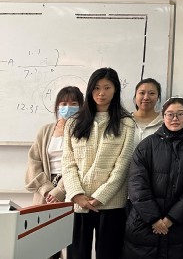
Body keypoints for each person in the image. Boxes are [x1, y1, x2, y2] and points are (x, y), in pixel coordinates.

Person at [62, 67, 135, 259]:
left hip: (111, 203)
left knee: (109, 254)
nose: (101, 93)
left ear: (115, 90)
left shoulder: (126, 123)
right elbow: (68, 163)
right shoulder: (73, 122)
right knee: (77, 254)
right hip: (79, 202)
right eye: (96, 88)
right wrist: (77, 194)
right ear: (89, 90)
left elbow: (123, 165)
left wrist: (101, 197)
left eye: (107, 87)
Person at [122, 97, 183, 259]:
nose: (175, 118)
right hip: (144, 225)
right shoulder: (147, 145)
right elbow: (137, 184)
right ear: (163, 117)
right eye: (170, 114)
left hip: (181, 225)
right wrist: (154, 219)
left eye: (180, 114)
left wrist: (171, 218)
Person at [25, 85, 84, 259]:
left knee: (73, 241)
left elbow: (82, 163)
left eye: (73, 103)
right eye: (63, 103)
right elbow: (34, 161)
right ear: (57, 106)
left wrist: (60, 190)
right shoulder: (45, 131)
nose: (68, 107)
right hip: (46, 190)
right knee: (45, 242)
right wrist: (47, 190)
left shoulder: (84, 130)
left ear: (81, 106)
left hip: (72, 188)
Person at [131, 78, 163, 147]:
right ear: (135, 96)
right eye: (142, 93)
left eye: (151, 93)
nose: (146, 98)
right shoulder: (125, 120)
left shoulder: (165, 122)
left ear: (158, 97)